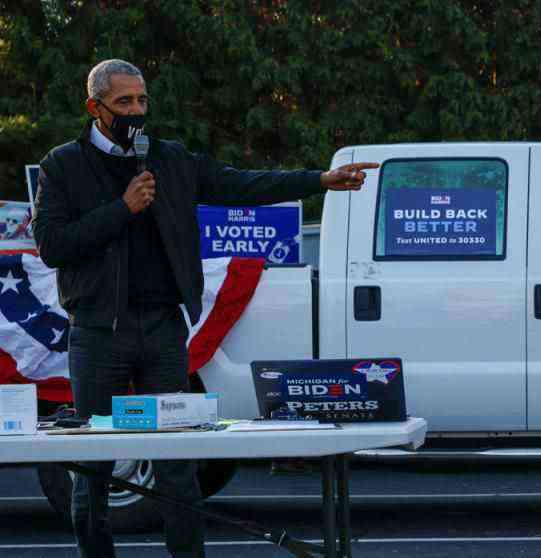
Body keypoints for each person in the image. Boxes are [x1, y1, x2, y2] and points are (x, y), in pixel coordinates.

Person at [32, 58, 378, 558]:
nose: (136, 111)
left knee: (178, 461)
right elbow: (52, 246)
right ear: (95, 107)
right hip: (99, 331)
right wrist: (122, 208)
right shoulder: (62, 165)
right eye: (124, 102)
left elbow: (242, 183)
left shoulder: (169, 158)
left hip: (162, 329)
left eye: (142, 100)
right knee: (93, 465)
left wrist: (319, 179)